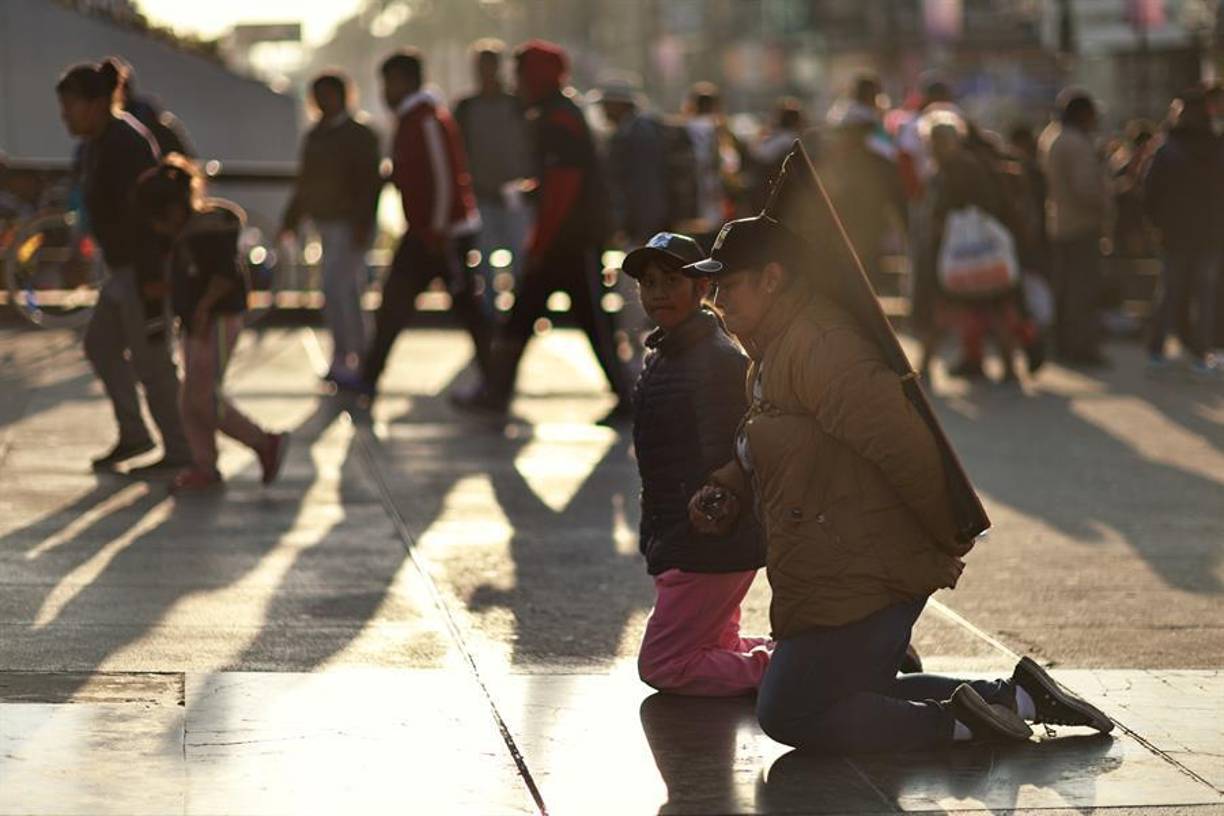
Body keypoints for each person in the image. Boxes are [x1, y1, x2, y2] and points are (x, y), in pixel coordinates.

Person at [682, 215, 1114, 753]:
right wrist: (729, 485)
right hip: (836, 560)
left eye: (729, 285)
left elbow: (902, 445)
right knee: (857, 690)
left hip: (866, 566)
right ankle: (1019, 699)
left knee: (789, 711)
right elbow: (770, 443)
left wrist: (944, 536)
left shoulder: (820, 346)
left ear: (772, 278)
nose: (718, 298)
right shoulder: (774, 349)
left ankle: (964, 726)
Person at [623, 232, 772, 696]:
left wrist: (705, 522)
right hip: (684, 538)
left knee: (666, 664)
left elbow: (730, 457)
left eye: (671, 280)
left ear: (702, 288)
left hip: (706, 542)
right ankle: (808, 655)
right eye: (649, 283)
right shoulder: (669, 351)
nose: (658, 293)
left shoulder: (712, 359)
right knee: (715, 645)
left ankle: (798, 670)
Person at [452, 40, 629, 419]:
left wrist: (539, 241)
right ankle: (496, 390)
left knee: (593, 322)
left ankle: (626, 395)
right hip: (562, 240)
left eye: (521, 73)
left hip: (572, 241)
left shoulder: (558, 118)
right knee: (522, 318)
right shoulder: (552, 113)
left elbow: (565, 186)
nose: (515, 81)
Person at [55, 58, 191, 473]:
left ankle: (182, 450)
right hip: (122, 270)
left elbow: (151, 217)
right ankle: (135, 435)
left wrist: (154, 279)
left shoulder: (126, 144)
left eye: (70, 107)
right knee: (101, 346)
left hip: (144, 271)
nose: (65, 117)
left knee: (153, 364)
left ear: (96, 104)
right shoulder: (97, 145)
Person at [135, 157, 289, 493]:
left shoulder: (208, 230)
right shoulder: (185, 235)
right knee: (190, 398)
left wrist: (203, 309)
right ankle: (203, 464)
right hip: (196, 321)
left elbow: (223, 277)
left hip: (217, 320)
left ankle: (263, 441)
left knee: (204, 398)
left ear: (173, 211)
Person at [351, 49, 489, 400]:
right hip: (427, 232)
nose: (385, 91)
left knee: (468, 311)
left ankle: (495, 381)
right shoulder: (413, 118)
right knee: (395, 304)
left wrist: (438, 229)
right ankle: (369, 375)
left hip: (442, 234)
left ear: (405, 81)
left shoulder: (426, 119)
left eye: (389, 82)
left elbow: (445, 178)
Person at [280, 71, 383, 385]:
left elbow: (370, 185)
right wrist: (291, 220)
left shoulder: (361, 135)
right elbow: (305, 181)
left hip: (351, 224)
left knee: (338, 289)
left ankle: (353, 355)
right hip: (325, 222)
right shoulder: (316, 136)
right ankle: (354, 355)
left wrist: (363, 224)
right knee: (345, 290)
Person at [1142, 88, 1224, 377]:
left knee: (1170, 290)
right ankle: (1203, 352)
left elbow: (1149, 192)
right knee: (1206, 293)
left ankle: (1156, 348)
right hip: (1211, 231)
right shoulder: (1216, 146)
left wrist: (1157, 224)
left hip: (1175, 232)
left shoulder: (1167, 148)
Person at [454, 39, 532, 317]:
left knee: (520, 259)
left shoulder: (518, 105)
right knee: (484, 262)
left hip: (515, 195)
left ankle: (520, 315)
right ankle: (490, 317)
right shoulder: (466, 108)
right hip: (481, 195)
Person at [1040, 88, 1110, 367]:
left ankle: (1064, 344)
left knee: (1065, 288)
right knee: (1083, 290)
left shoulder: (1052, 137)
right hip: (1081, 224)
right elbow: (1085, 188)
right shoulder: (1076, 143)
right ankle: (1082, 347)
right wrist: (1105, 203)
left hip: (1059, 222)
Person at [819, 75, 907, 293]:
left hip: (846, 211)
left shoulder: (838, 123)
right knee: (864, 268)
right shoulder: (869, 132)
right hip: (863, 213)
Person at [596, 76, 669, 247]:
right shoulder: (631, 130)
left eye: (606, 103)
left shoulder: (637, 134)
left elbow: (645, 184)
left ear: (619, 104)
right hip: (639, 224)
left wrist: (643, 230)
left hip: (642, 227)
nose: (603, 109)